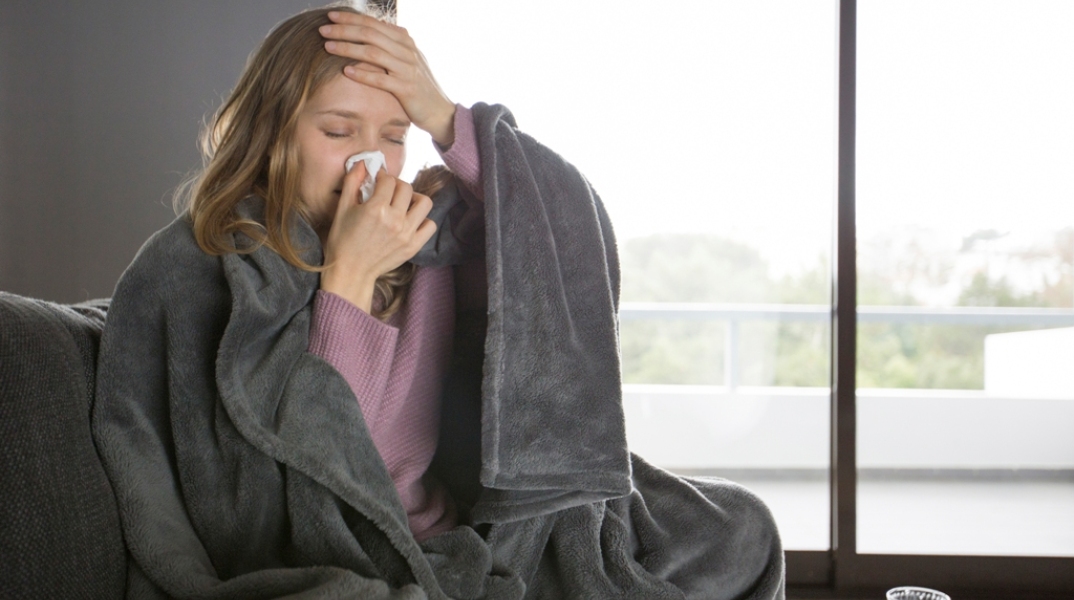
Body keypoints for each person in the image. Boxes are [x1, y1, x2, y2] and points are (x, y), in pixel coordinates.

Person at [91, 4, 785, 599]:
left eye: (394, 136)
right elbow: (318, 479)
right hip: (359, 553)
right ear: (271, 134)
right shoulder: (214, 264)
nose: (370, 163)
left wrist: (446, 117)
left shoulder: (429, 234)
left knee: (739, 529)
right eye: (338, 132)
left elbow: (559, 225)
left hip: (480, 534)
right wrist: (349, 280)